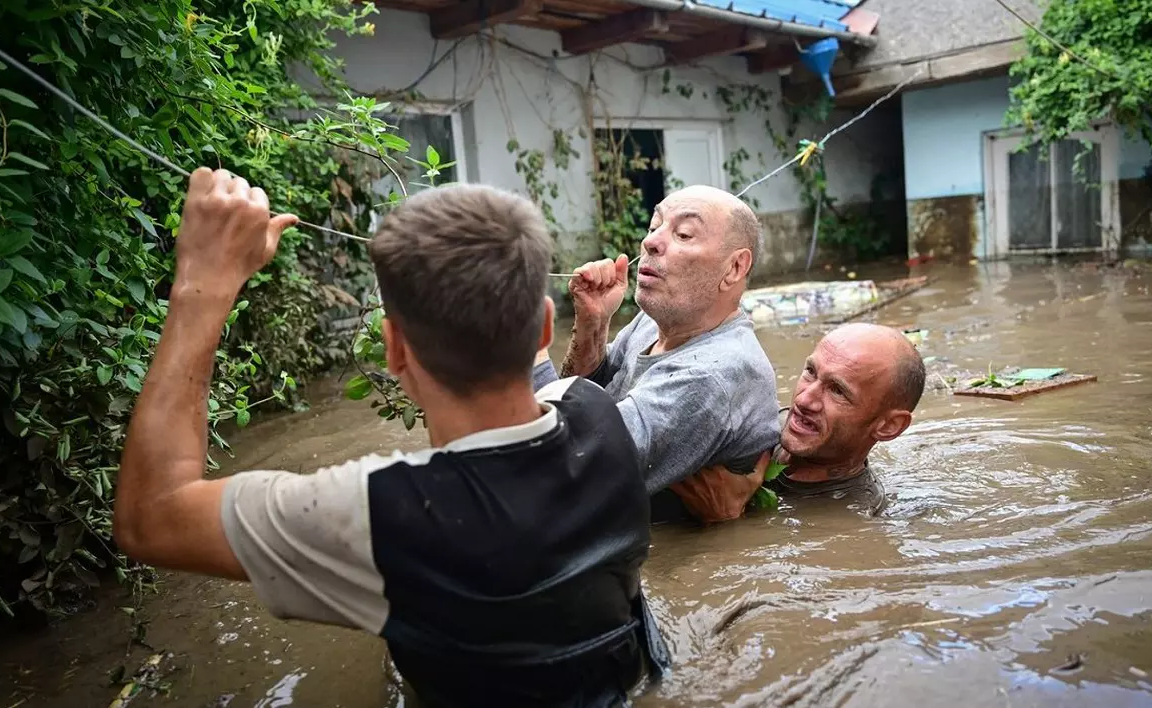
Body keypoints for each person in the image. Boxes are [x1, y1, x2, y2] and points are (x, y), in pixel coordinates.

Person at [113, 169, 669, 708]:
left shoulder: (380, 513)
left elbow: (151, 516)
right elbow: (553, 392)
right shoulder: (598, 411)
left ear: (395, 350)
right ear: (546, 326)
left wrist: (200, 285)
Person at [532, 185, 780, 522]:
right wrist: (593, 326)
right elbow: (589, 397)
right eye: (654, 227)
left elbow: (563, 468)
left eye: (683, 234)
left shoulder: (712, 374)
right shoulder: (654, 322)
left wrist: (526, 346)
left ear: (735, 268)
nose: (650, 242)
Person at [670, 323, 926, 522]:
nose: (804, 400)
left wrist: (723, 520)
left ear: (888, 426)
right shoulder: (754, 421)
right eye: (811, 372)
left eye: (837, 390)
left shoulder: (852, 520)